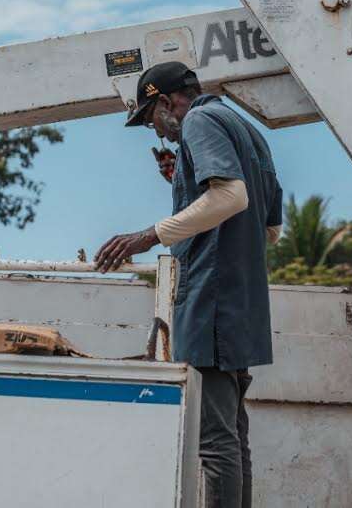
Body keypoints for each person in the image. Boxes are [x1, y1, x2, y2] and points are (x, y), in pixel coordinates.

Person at [95, 61, 283, 508]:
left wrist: (147, 235)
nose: (157, 133)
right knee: (234, 437)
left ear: (165, 101)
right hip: (241, 300)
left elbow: (230, 197)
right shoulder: (246, 128)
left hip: (211, 298)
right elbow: (269, 228)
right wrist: (184, 182)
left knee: (214, 442)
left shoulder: (199, 119)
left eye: (150, 120)